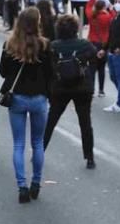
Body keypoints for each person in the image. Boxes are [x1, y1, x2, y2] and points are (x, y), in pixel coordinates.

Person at [0, 7, 54, 204]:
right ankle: (36, 182)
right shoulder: (45, 45)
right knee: (38, 143)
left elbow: (3, 71)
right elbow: (51, 73)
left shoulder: (10, 45)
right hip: (39, 97)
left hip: (18, 97)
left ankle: (21, 185)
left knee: (18, 144)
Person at [42, 14, 98, 169]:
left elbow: (47, 67)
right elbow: (94, 57)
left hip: (60, 88)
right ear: (75, 29)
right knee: (85, 123)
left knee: (51, 121)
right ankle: (89, 157)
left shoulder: (53, 46)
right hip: (82, 87)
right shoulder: (84, 44)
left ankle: (40, 151)